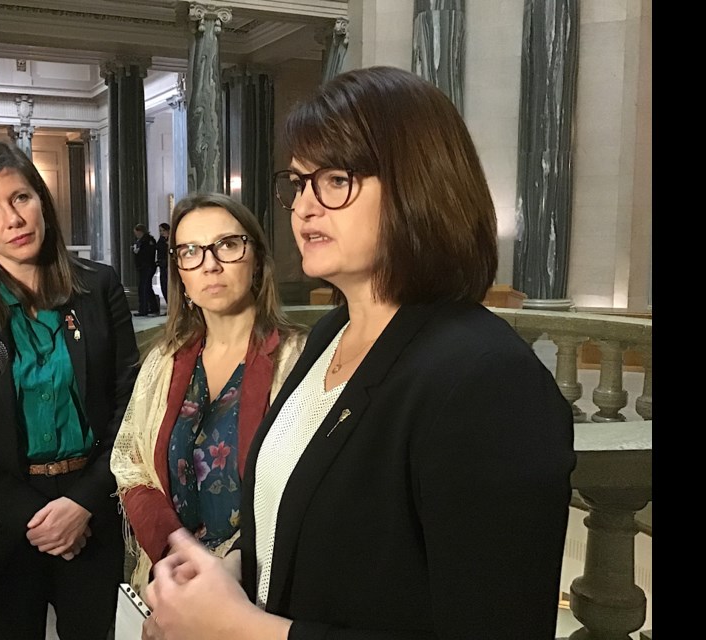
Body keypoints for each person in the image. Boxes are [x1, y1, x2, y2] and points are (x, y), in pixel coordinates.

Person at [143, 66, 576, 640]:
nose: (304, 208)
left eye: (335, 180)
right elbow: (304, 518)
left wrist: (241, 628)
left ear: (417, 182)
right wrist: (223, 577)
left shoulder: (486, 379)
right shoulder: (329, 335)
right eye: (298, 184)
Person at [0, 140, 139, 640]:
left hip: (90, 511)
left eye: (21, 198)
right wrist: (33, 515)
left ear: (42, 200)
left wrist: (82, 502)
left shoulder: (97, 287)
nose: (13, 219)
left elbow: (131, 406)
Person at [110, 193, 306, 595]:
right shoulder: (163, 363)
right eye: (191, 252)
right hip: (172, 580)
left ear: (255, 258)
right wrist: (174, 547)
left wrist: (230, 566)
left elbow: (309, 492)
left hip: (259, 588)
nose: (210, 265)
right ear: (179, 271)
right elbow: (131, 466)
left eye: (228, 245)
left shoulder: (299, 361)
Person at [132, 223, 160, 316]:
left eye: (137, 233)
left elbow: (148, 253)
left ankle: (143, 309)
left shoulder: (148, 240)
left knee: (143, 287)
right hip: (143, 266)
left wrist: (138, 252)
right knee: (147, 287)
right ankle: (153, 307)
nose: (136, 235)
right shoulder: (140, 240)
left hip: (147, 266)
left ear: (140, 231)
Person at [156, 222, 171, 313]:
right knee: (164, 285)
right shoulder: (161, 240)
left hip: (170, 265)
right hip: (162, 265)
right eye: (160, 231)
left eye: (163, 230)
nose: (161, 232)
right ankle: (168, 305)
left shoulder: (171, 239)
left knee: (170, 286)